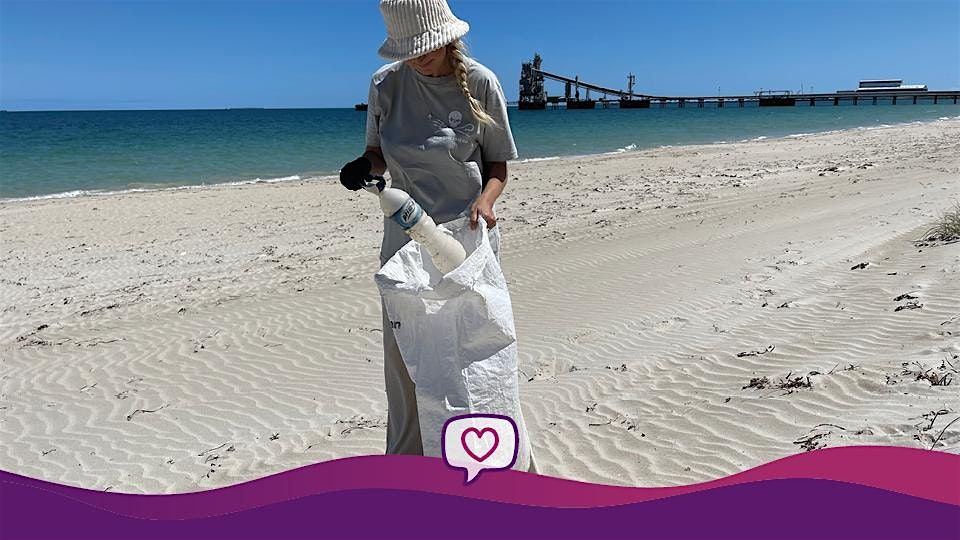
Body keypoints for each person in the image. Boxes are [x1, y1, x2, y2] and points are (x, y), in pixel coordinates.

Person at [339, 0, 536, 472]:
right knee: (406, 365)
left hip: (467, 244)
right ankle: (408, 473)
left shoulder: (482, 82)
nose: (417, 58)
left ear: (447, 36)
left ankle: (497, 466)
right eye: (407, 51)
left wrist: (485, 203)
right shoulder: (385, 84)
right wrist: (364, 168)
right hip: (405, 245)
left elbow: (498, 167)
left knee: (475, 359)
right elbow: (377, 153)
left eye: (423, 49)